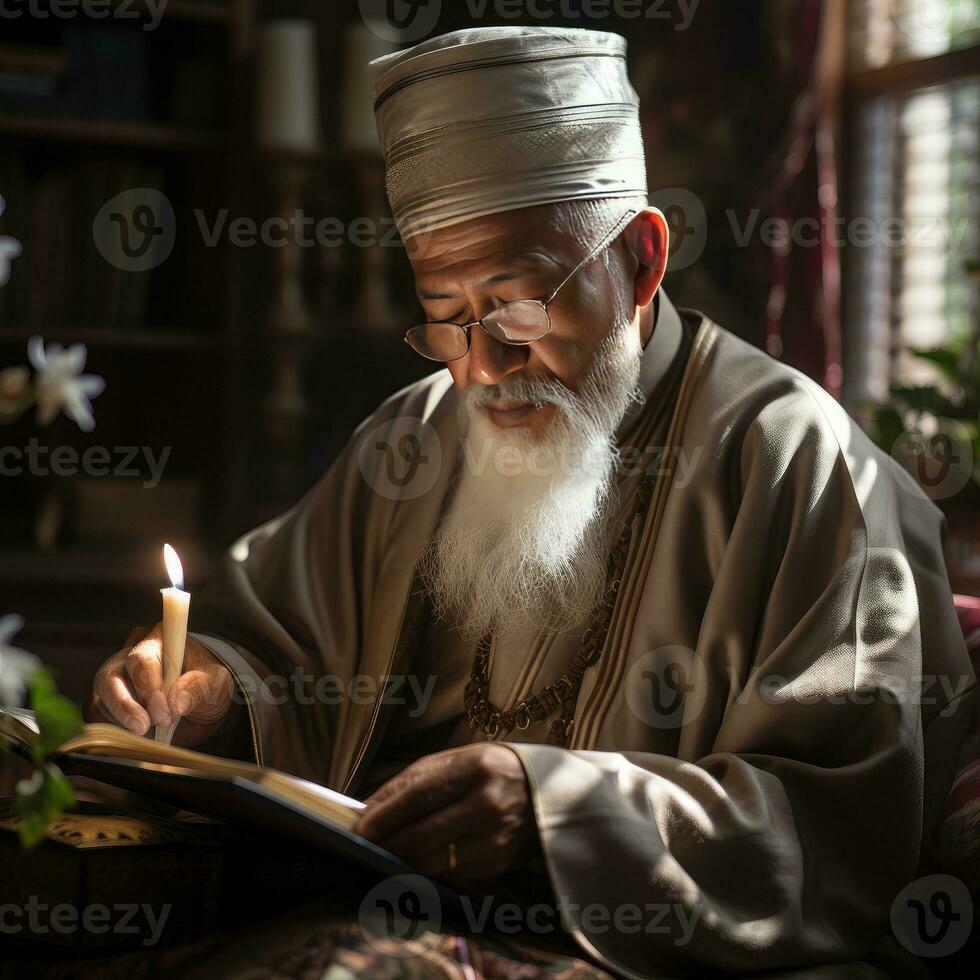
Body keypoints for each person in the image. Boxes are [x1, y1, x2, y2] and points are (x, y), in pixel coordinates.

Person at [89, 26, 975, 979]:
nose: (484, 367)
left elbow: (837, 825)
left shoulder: (793, 458)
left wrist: (556, 809)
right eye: (444, 315)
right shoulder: (414, 438)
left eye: (517, 308)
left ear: (640, 259)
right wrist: (211, 689)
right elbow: (281, 647)